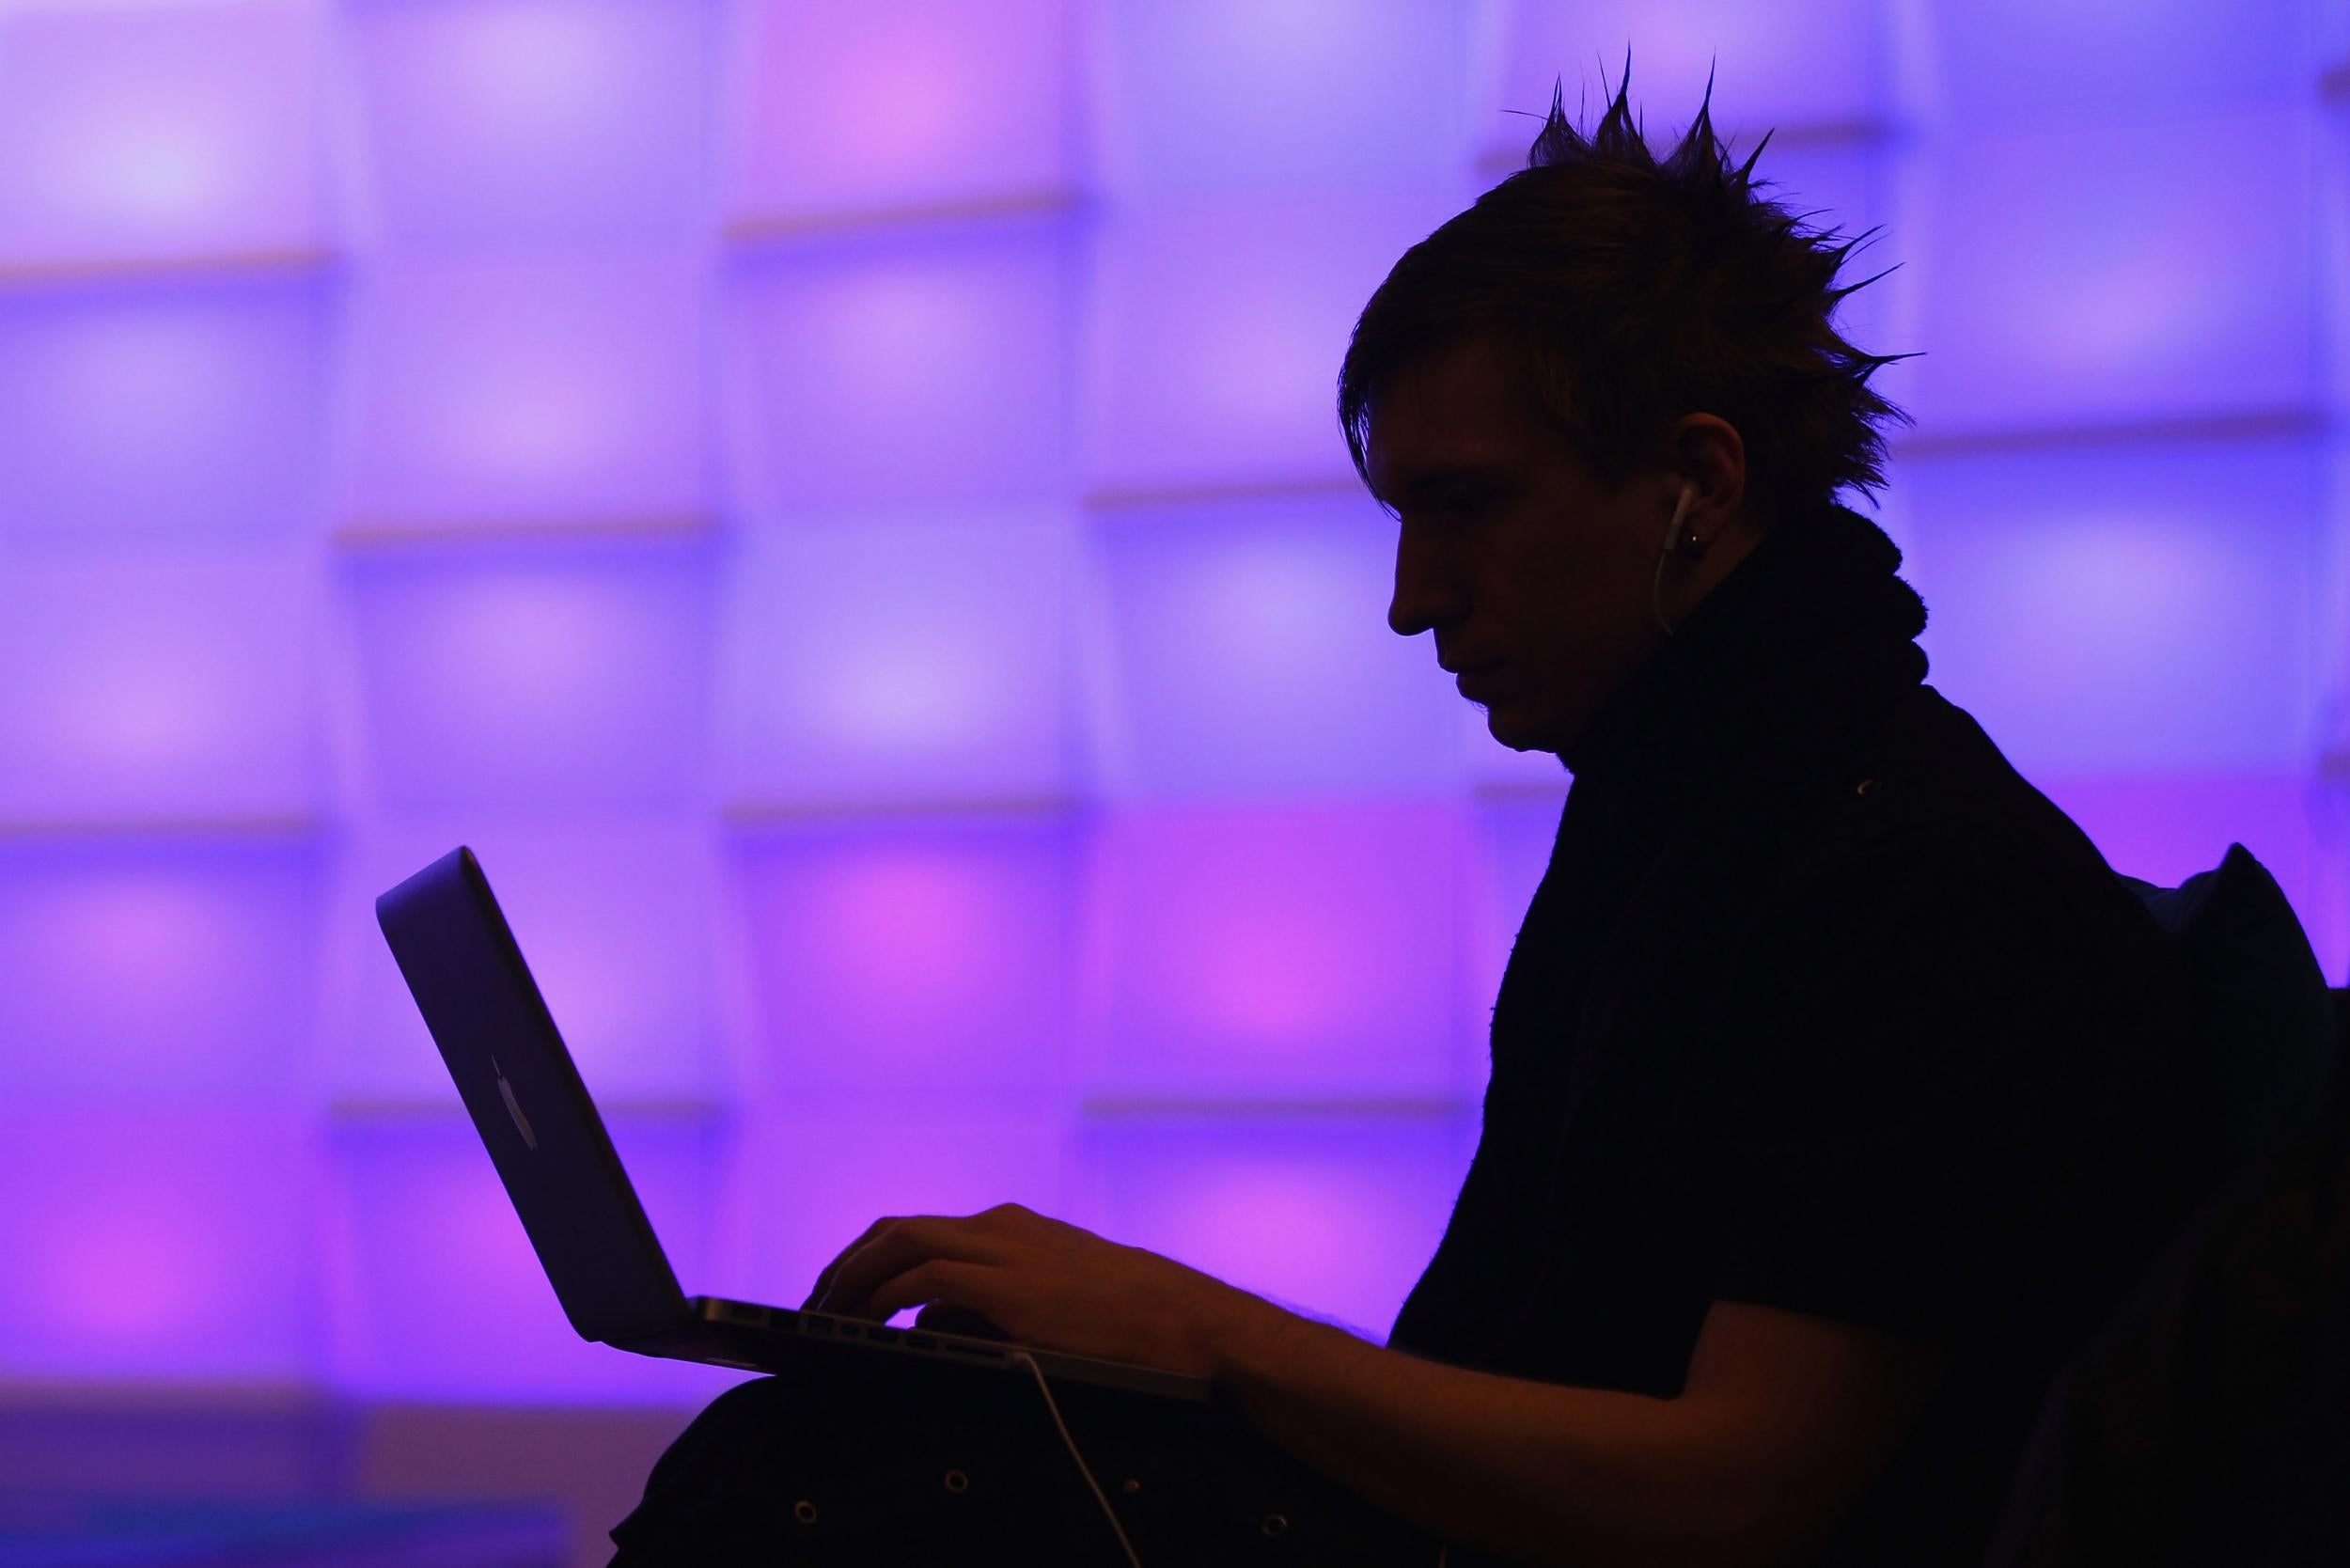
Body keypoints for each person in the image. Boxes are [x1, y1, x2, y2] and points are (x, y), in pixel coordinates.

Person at [611, 58, 2208, 1567]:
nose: (1410, 602)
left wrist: (1199, 1336)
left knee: (802, 1498)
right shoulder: (1706, 813)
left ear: (1698, 485)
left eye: (1465, 506)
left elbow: (1745, 1500)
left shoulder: (1914, 877)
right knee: (816, 1457)